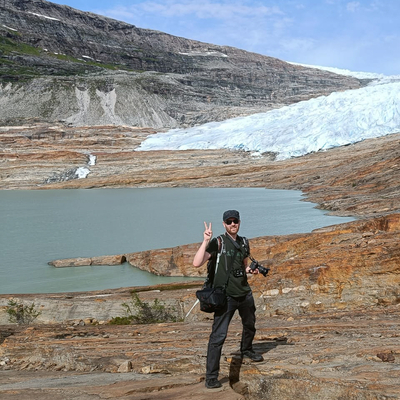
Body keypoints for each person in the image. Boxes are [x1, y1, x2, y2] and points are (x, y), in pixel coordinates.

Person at [193, 209, 263, 389]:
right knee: (218, 336)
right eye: (229, 222)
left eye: (235, 221)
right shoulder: (218, 242)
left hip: (244, 293)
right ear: (224, 224)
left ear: (239, 222)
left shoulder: (244, 242)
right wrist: (205, 240)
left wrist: (251, 270)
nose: (233, 224)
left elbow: (243, 266)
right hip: (226, 297)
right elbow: (197, 262)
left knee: (250, 325)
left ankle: (247, 349)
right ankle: (211, 377)